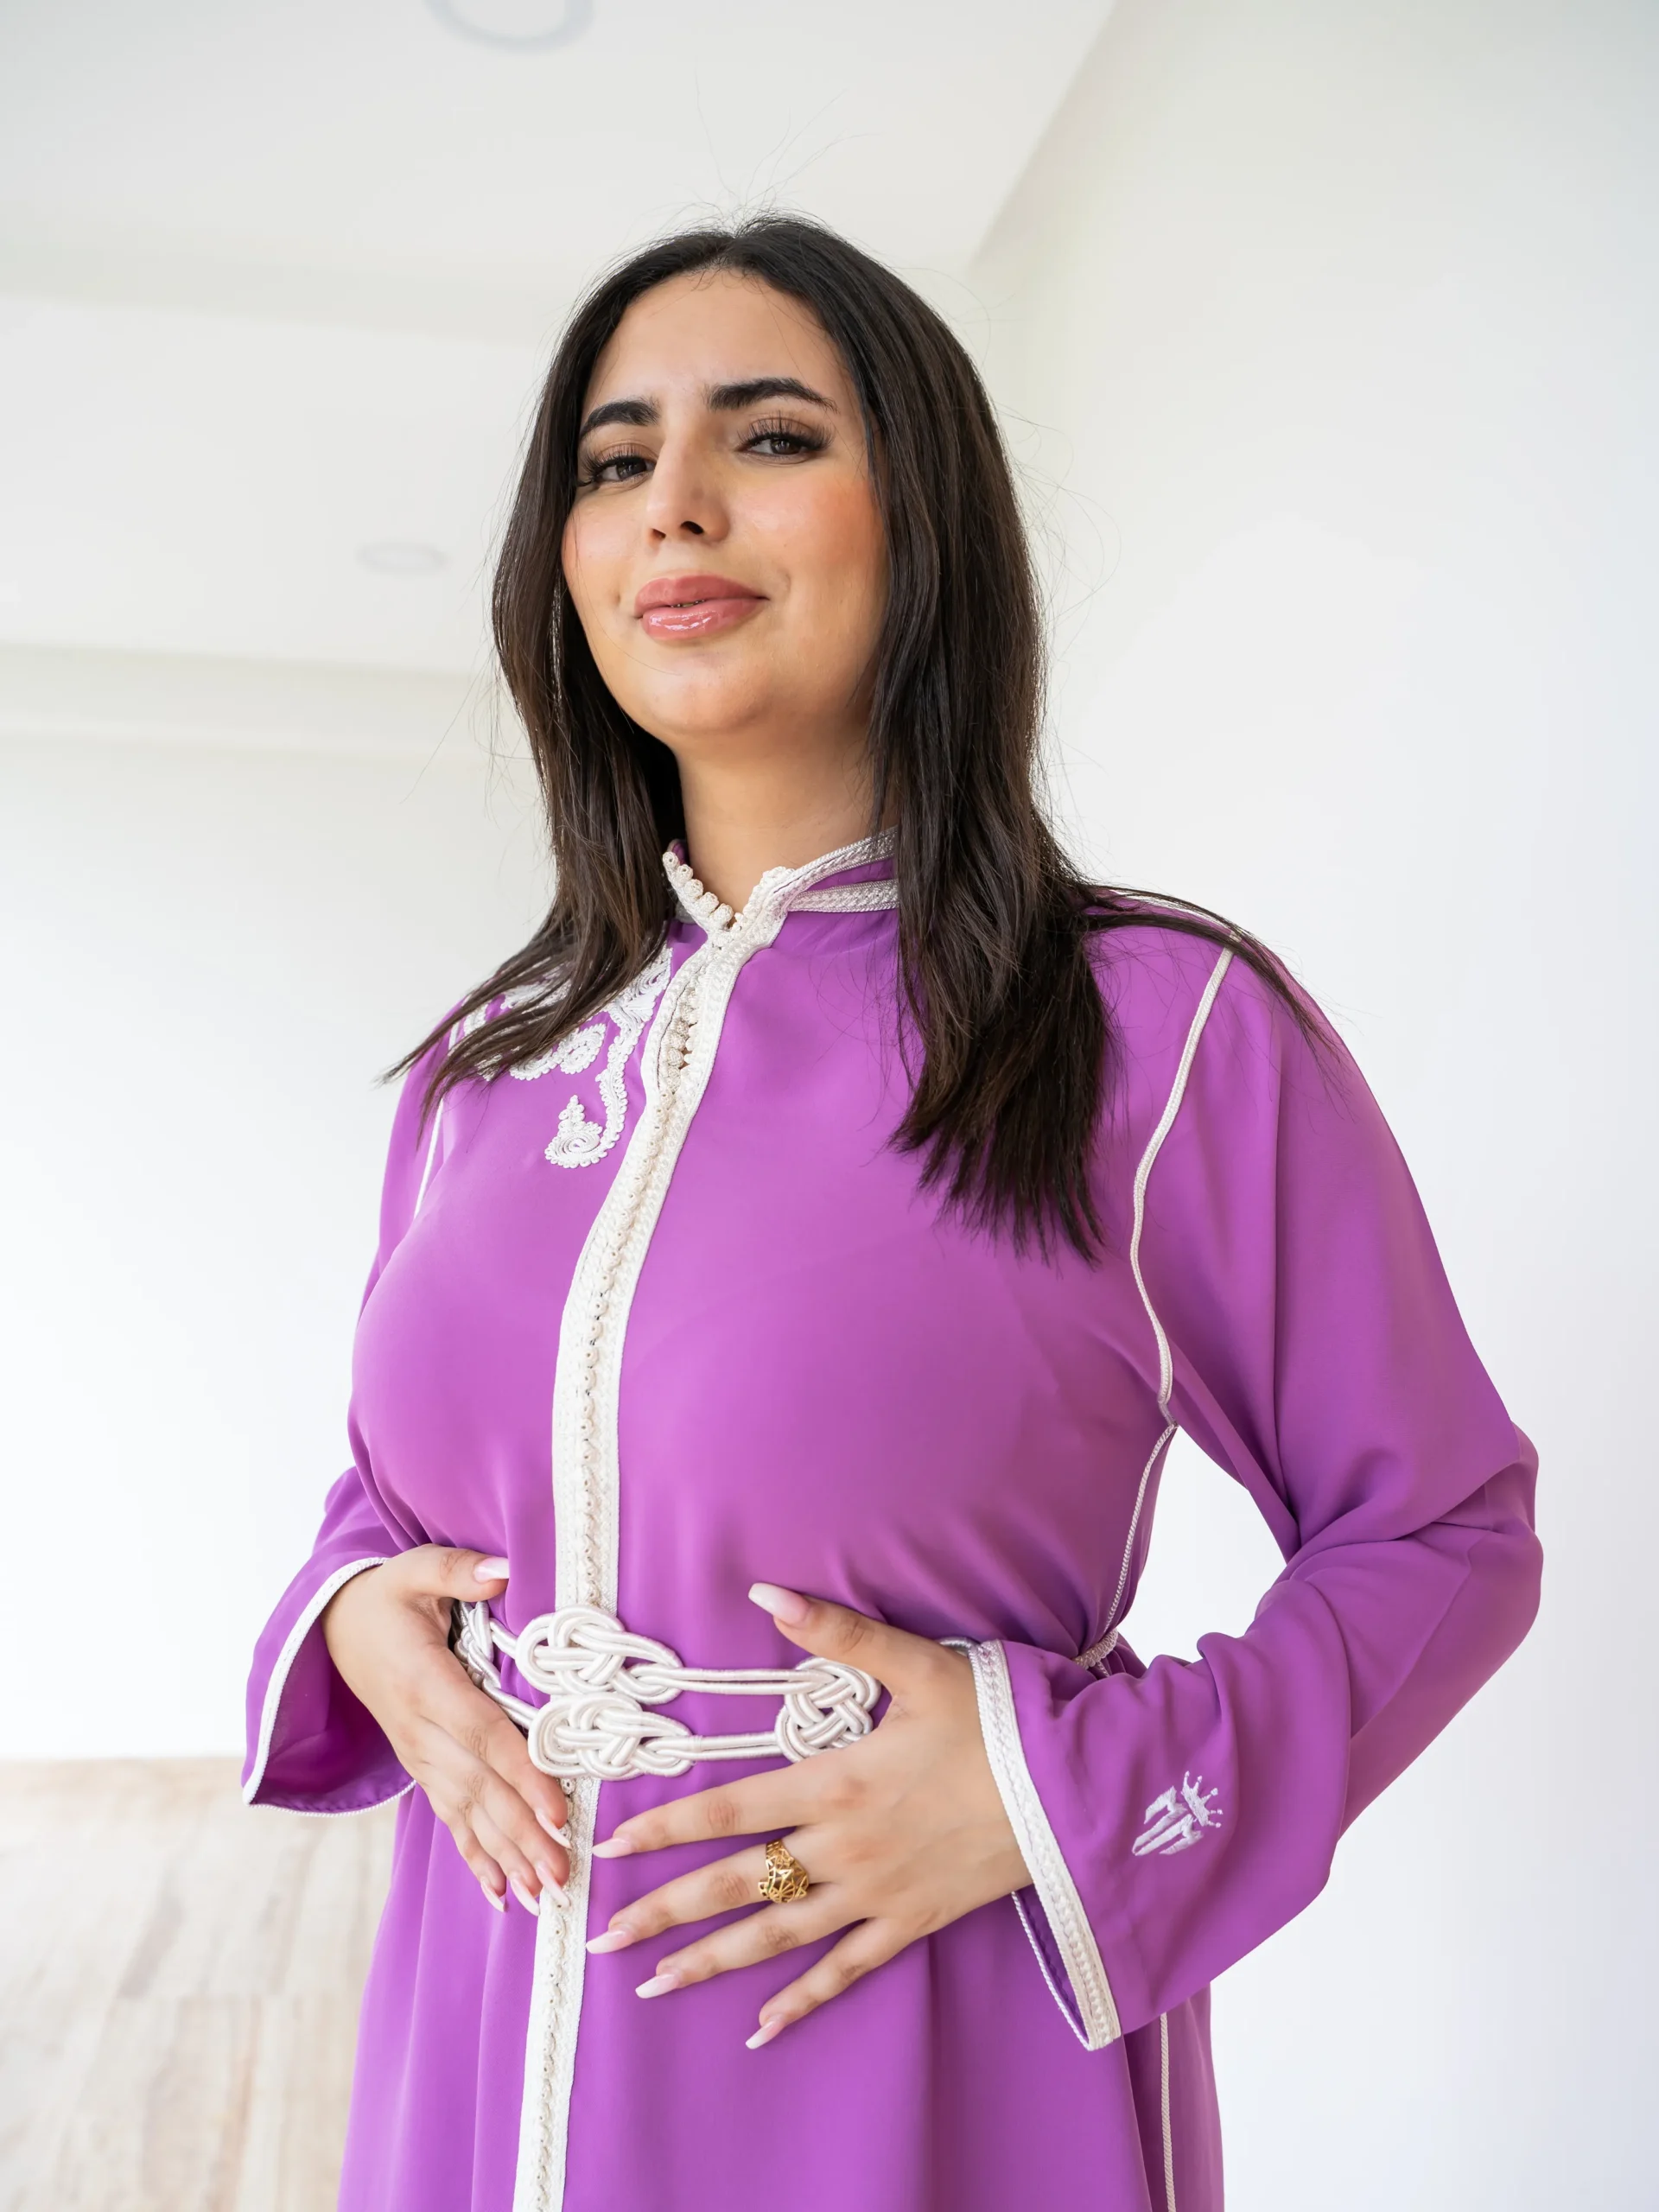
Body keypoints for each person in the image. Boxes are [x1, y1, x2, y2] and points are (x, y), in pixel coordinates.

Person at [243, 216, 1541, 2212]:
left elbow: (1444, 1528)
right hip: (480, 2018)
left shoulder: (1154, 1030)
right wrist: (358, 1616)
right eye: (613, 459)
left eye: (768, 436)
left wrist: (1050, 1788)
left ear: (922, 517)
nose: (673, 502)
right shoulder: (482, 1075)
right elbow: (416, 1486)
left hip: (918, 2049)